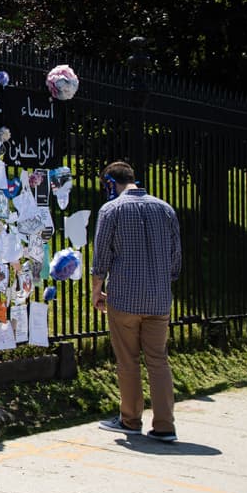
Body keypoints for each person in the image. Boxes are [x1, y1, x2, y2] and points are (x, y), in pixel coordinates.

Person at [90, 161, 182, 442]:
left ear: (110, 183)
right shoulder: (165, 209)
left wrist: (96, 291)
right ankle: (165, 425)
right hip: (159, 299)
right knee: (158, 360)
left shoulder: (111, 210)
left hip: (125, 298)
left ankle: (130, 419)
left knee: (128, 360)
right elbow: (175, 257)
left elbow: (101, 256)